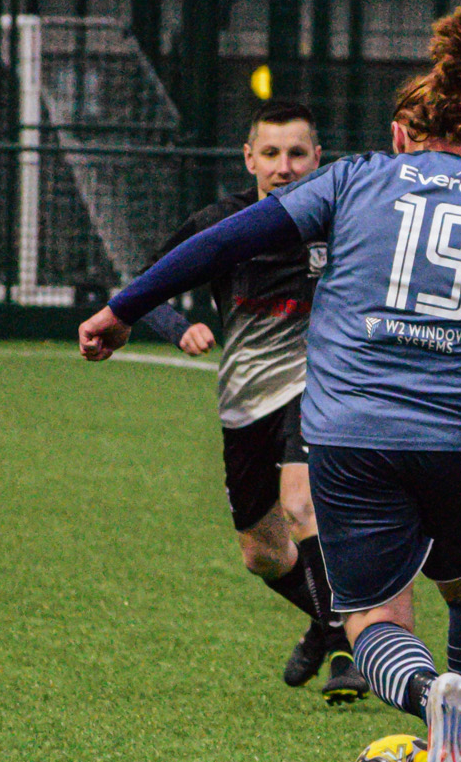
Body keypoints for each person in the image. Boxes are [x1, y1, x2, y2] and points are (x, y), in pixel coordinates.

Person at [81, 10, 461, 762]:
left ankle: (430, 698)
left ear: (398, 134)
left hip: (351, 439)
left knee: (370, 618)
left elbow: (224, 241)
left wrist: (124, 307)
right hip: (460, 441)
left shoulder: (353, 179)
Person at [135, 100, 363, 702]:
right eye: (270, 154)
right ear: (249, 158)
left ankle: (348, 653)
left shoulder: (341, 220)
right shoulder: (221, 224)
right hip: (246, 398)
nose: (284, 167)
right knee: (262, 553)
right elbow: (144, 285)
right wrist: (176, 327)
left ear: (319, 159)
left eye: (296, 154)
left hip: (321, 387)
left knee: (302, 503)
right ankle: (326, 621)